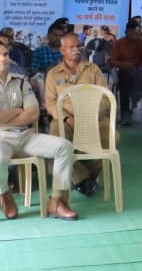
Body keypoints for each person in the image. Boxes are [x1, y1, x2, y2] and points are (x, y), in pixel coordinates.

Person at [0, 38, 78, 220]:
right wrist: (16, 112)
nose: (3, 58)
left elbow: (33, 114)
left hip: (25, 136)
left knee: (64, 147)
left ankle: (57, 201)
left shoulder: (21, 82)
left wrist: (2, 117)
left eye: (5, 54)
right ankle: (4, 193)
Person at [43, 33, 111, 196]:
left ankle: (84, 177)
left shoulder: (93, 69)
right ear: (62, 50)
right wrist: (66, 118)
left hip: (93, 118)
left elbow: (105, 97)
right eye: (71, 47)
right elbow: (50, 103)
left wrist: (90, 116)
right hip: (65, 120)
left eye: (78, 46)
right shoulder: (53, 73)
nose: (76, 49)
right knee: (55, 142)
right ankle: (81, 179)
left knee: (112, 138)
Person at [108, 20, 142, 126]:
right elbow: (112, 61)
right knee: (124, 82)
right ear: (126, 32)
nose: (135, 36)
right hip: (125, 71)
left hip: (141, 71)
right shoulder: (119, 43)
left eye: (137, 33)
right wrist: (126, 65)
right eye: (132, 34)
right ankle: (125, 113)